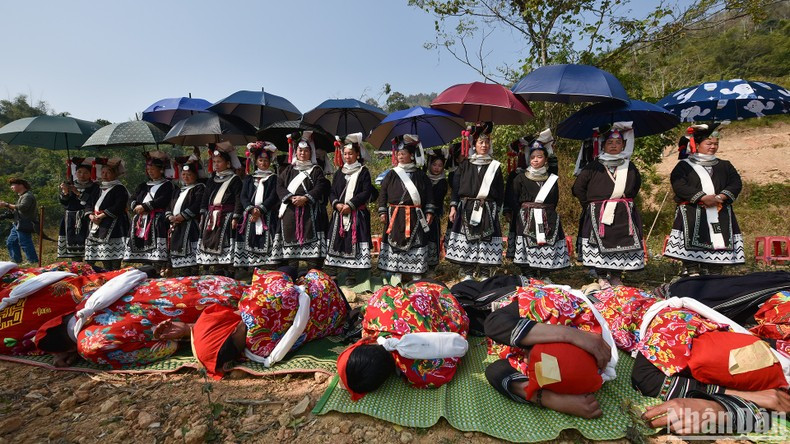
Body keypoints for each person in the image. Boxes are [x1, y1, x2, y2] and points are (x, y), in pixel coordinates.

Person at [35, 270, 244, 368]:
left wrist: (183, 336)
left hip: (222, 311)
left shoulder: (90, 344)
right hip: (218, 283)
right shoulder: (92, 299)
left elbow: (165, 347)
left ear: (68, 348)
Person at [484, 284, 616, 418]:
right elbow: (494, 324)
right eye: (534, 354)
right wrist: (571, 334)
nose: (524, 361)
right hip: (521, 293)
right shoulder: (554, 307)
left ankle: (591, 290)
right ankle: (590, 290)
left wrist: (549, 399)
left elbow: (495, 370)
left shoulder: (577, 372)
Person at [191, 268, 348, 379]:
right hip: (328, 295)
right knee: (296, 274)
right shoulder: (255, 307)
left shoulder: (255, 351)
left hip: (332, 323)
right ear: (232, 331)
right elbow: (285, 274)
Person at [337, 280, 469, 400]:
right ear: (364, 343)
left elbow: (452, 360)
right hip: (435, 290)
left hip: (457, 314)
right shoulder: (379, 313)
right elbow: (386, 291)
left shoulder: (419, 377)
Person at [664, 124, 744, 275]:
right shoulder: (684, 166)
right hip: (692, 211)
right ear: (697, 144)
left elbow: (736, 183)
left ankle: (715, 273)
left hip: (720, 211)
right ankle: (691, 270)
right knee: (692, 243)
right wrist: (702, 197)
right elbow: (679, 184)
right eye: (709, 143)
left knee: (718, 241)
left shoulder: (725, 165)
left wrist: (720, 197)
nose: (713, 147)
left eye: (716, 144)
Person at [572, 123, 644, 288]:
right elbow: (578, 188)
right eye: (610, 143)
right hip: (599, 212)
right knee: (599, 244)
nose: (613, 146)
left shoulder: (629, 167)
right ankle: (602, 276)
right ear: (603, 145)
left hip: (622, 213)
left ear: (623, 145)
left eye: (617, 143)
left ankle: (617, 276)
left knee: (621, 243)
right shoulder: (593, 166)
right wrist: (589, 205)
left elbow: (634, 187)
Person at [445, 122, 504, 281]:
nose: (484, 145)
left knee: (486, 238)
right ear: (474, 144)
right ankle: (468, 271)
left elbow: (500, 190)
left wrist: (497, 208)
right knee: (468, 238)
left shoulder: (494, 166)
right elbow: (456, 189)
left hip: (487, 207)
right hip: (467, 206)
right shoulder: (465, 164)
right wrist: (453, 207)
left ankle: (485, 272)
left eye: (487, 142)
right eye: (480, 142)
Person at [506, 132, 570, 277]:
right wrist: (521, 214)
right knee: (529, 243)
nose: (535, 160)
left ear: (546, 159)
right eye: (533, 157)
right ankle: (529, 274)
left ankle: (545, 274)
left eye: (539, 157)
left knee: (547, 243)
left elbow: (555, 198)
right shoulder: (520, 178)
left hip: (547, 215)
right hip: (526, 217)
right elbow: (514, 199)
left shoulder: (551, 178)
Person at [377, 135, 435, 282]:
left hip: (415, 214)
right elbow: (382, 193)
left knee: (417, 242)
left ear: (411, 155)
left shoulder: (421, 175)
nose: (400, 156)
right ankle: (397, 273)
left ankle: (416, 273)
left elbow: (429, 195)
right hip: (395, 215)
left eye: (403, 153)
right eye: (398, 153)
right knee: (396, 241)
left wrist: (429, 211)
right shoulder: (391, 174)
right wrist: (382, 211)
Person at [274, 132, 330, 274]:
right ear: (296, 152)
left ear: (310, 152)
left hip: (310, 213)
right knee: (291, 246)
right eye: (300, 150)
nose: (303, 153)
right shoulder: (287, 170)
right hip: (290, 212)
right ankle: (292, 271)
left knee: (312, 248)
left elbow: (320, 186)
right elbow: (279, 186)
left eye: (306, 151)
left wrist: (306, 198)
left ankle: (313, 274)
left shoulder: (316, 170)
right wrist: (290, 198)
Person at [325, 133, 374, 284]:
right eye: (345, 154)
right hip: (339, 213)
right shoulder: (339, 172)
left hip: (356, 213)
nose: (347, 156)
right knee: (336, 241)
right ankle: (332, 272)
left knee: (352, 241)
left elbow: (366, 191)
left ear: (357, 154)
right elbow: (332, 191)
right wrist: (336, 204)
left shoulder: (363, 172)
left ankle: (350, 274)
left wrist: (351, 204)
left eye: (350, 153)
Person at [197, 142, 243, 276]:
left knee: (225, 241)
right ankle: (217, 268)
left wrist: (236, 216)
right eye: (214, 161)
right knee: (211, 240)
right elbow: (205, 198)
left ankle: (229, 269)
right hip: (211, 216)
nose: (216, 164)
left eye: (219, 161)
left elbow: (238, 199)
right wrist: (203, 213)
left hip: (227, 216)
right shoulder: (212, 180)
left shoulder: (235, 180)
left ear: (228, 163)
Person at [234, 141, 281, 271]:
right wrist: (250, 209)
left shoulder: (274, 178)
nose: (264, 163)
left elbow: (273, 196)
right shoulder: (249, 178)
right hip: (251, 217)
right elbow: (243, 196)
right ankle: (254, 270)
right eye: (260, 160)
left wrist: (260, 210)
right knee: (251, 239)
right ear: (256, 161)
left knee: (267, 239)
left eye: (266, 160)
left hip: (268, 216)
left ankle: (268, 269)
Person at [124, 151, 174, 269]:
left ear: (161, 170)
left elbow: (163, 200)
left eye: (153, 169)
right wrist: (135, 206)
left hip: (157, 220)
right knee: (142, 244)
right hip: (141, 219)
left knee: (155, 247)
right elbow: (132, 198)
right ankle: (146, 268)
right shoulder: (143, 185)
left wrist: (145, 207)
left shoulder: (168, 185)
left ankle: (158, 268)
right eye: (148, 169)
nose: (150, 171)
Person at [84, 158, 130, 271]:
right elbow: (89, 203)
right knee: (102, 252)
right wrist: (91, 216)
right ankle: (106, 272)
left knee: (113, 253)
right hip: (97, 224)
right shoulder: (97, 188)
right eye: (103, 172)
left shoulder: (119, 188)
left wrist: (102, 215)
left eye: (108, 172)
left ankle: (114, 272)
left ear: (115, 174)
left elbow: (118, 206)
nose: (105, 175)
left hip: (114, 224)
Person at [166, 156, 206, 276]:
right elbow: (169, 205)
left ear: (195, 175)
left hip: (191, 225)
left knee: (191, 252)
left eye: (188, 174)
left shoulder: (199, 188)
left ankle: (194, 275)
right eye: (183, 174)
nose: (185, 177)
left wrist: (183, 216)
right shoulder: (178, 190)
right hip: (177, 225)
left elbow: (197, 204)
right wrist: (170, 217)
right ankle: (183, 276)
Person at [57, 158, 100, 259]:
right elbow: (64, 202)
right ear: (75, 173)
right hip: (70, 218)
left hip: (86, 217)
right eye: (79, 172)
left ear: (90, 174)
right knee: (72, 243)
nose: (82, 175)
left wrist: (77, 193)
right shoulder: (70, 185)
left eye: (85, 173)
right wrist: (65, 192)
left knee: (87, 242)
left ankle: (90, 263)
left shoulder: (94, 187)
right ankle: (76, 263)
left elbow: (92, 201)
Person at [1, 178, 39, 265]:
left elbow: (22, 207)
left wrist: (6, 204)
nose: (11, 187)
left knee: (25, 242)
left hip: (24, 223)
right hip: (18, 223)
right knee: (11, 241)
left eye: (13, 185)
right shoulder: (22, 196)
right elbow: (18, 209)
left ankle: (33, 261)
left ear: (21, 185)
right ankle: (15, 261)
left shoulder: (27, 196)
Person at [424, 149, 448, 269]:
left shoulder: (442, 182)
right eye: (434, 164)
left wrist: (431, 210)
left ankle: (432, 265)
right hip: (421, 214)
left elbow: (437, 198)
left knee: (433, 237)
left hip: (434, 215)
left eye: (440, 165)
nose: (437, 168)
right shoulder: (423, 178)